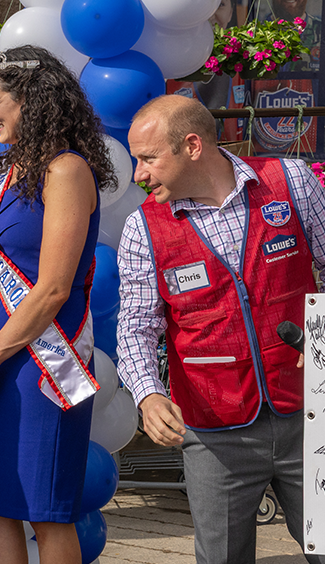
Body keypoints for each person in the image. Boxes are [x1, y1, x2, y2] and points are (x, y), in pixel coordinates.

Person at [119, 94, 325, 564]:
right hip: (215, 434)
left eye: (148, 158)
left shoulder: (290, 181)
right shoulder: (142, 228)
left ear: (192, 145)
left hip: (310, 416)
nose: (138, 174)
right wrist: (148, 395)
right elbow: (135, 325)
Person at [0, 46, 114, 564]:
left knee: (45, 511)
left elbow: (51, 290)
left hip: (43, 366)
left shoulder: (67, 171)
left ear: (34, 101)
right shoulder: (6, 170)